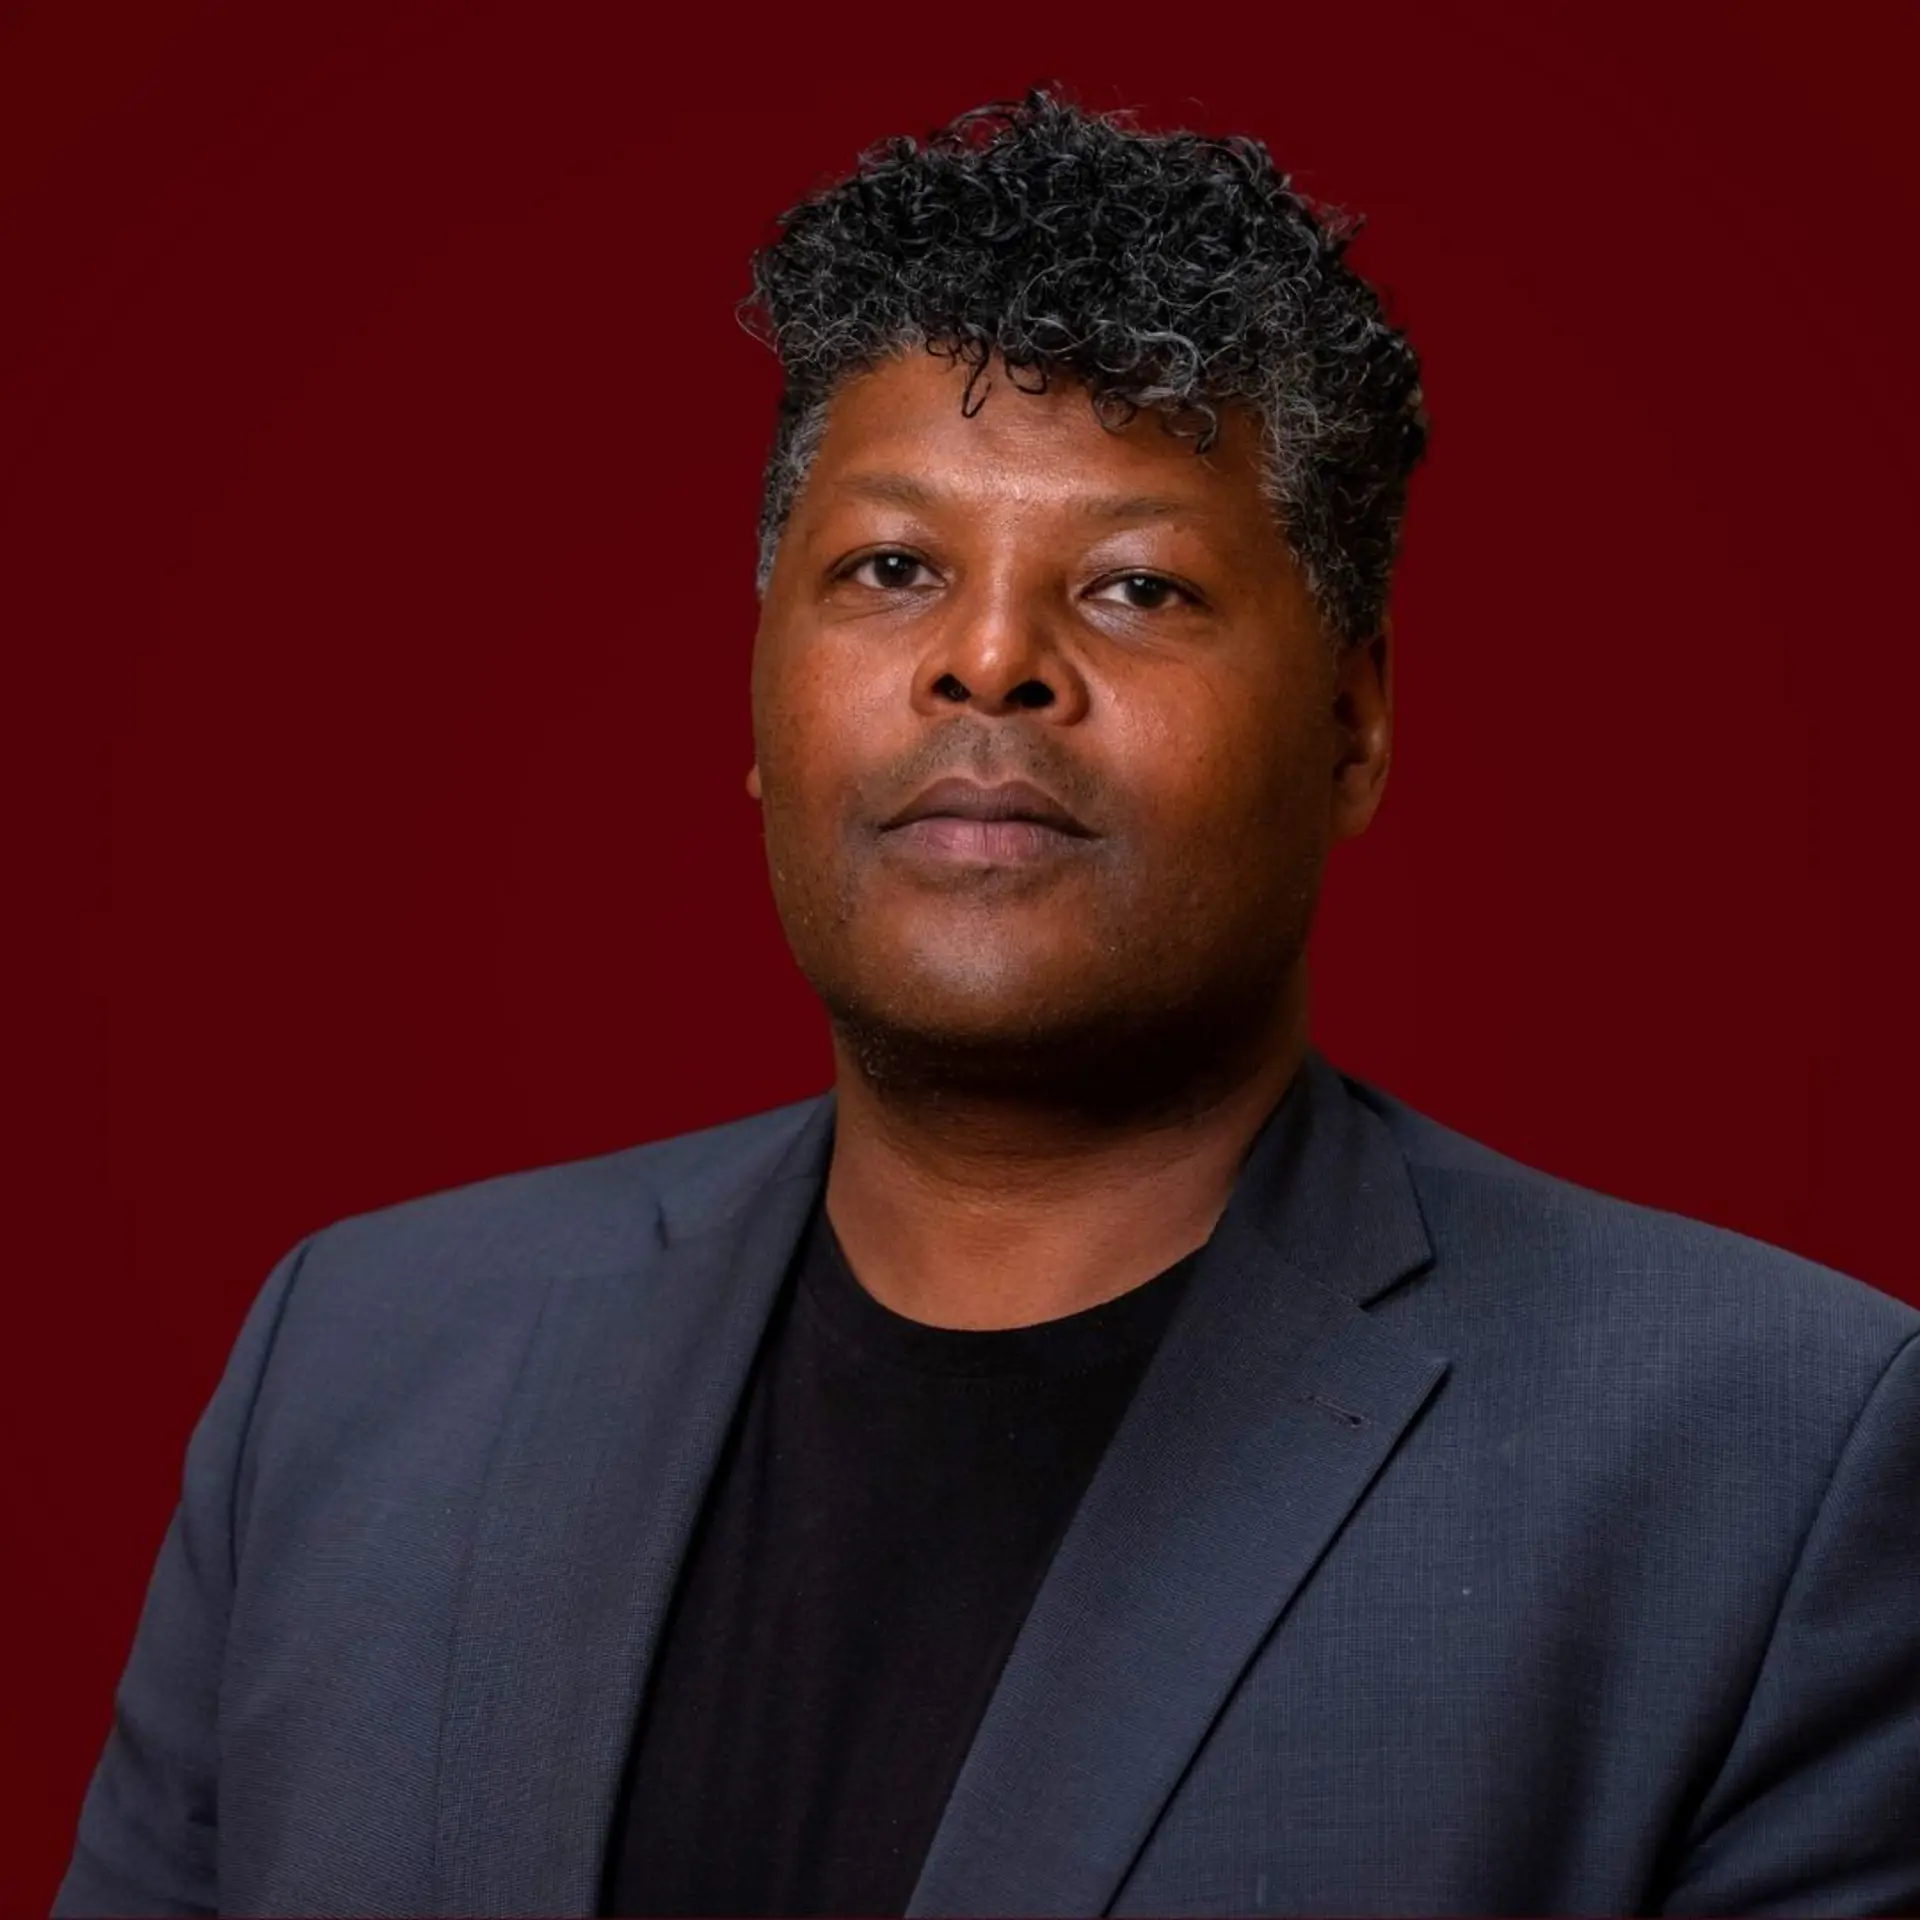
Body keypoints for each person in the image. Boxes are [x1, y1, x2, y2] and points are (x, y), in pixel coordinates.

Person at [56, 90, 1919, 1920]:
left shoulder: (1767, 1468)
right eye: (892, 569)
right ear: (759, 690)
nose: (993, 657)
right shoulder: (356, 1371)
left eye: (1136, 587)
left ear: (1353, 725)